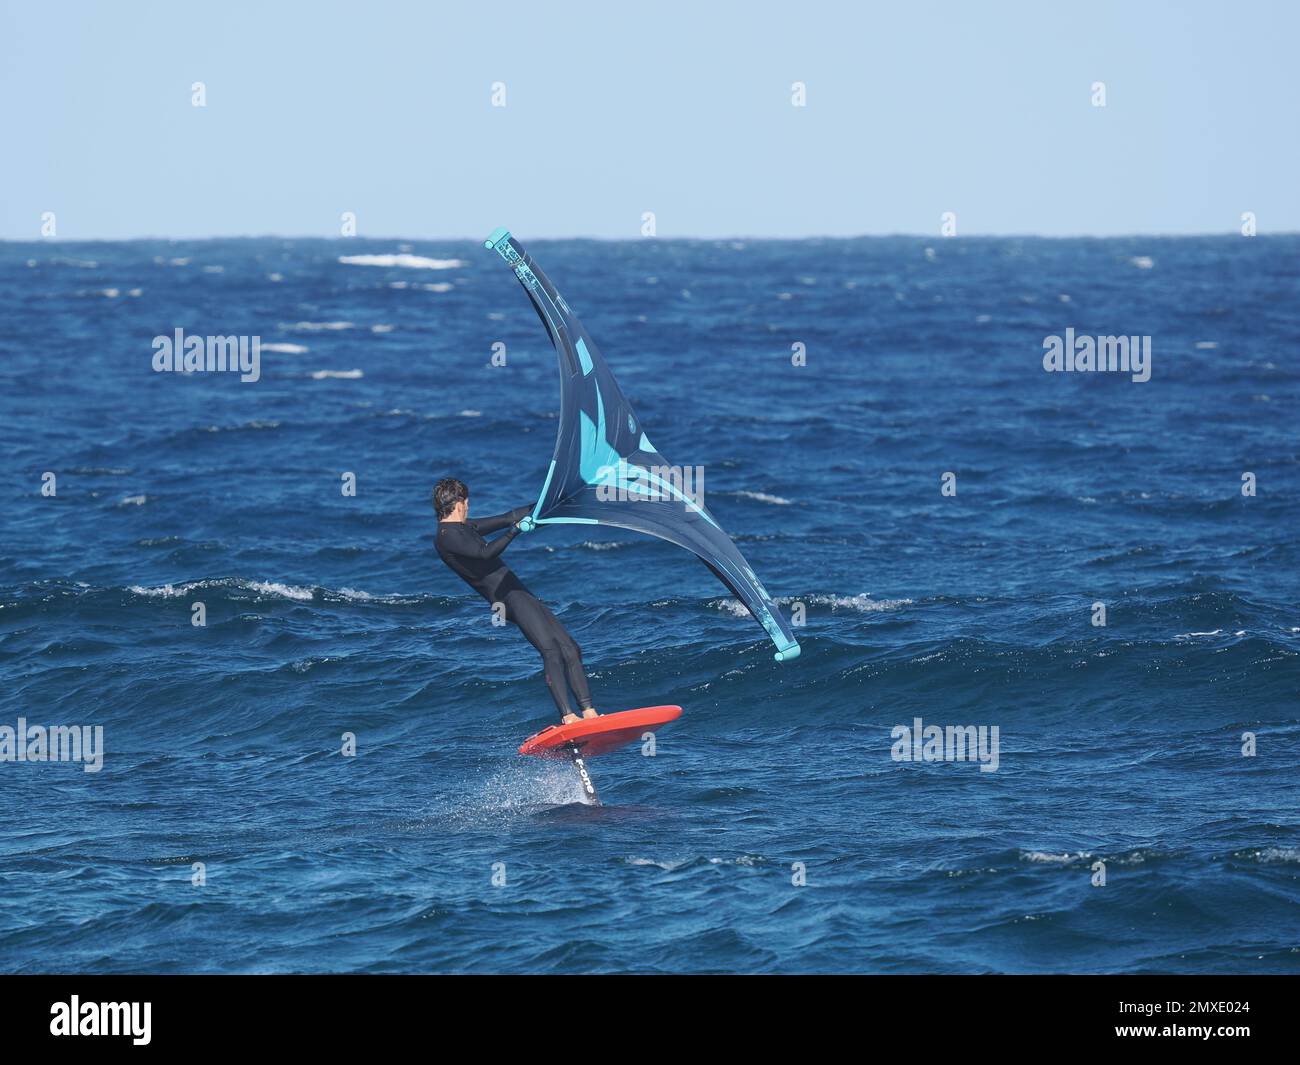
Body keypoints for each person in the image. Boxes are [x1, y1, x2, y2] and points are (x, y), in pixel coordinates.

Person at [432, 477, 598, 724]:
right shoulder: (446, 537)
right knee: (551, 650)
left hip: (517, 591)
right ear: (459, 503)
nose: (468, 506)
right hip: (506, 598)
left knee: (570, 648)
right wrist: (515, 531)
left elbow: (508, 516)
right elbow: (484, 553)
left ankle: (589, 712)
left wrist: (552, 505)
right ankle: (568, 716)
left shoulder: (463, 528)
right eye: (467, 502)